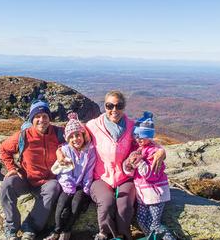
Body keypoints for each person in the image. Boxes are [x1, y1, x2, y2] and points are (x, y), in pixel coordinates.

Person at [57, 90, 166, 240]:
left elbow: (146, 140)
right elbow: (72, 137)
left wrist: (161, 150)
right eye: (109, 106)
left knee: (125, 206)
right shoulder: (93, 125)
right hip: (100, 177)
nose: (114, 110)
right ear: (105, 106)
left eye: (118, 106)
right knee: (106, 202)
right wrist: (59, 152)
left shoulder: (131, 126)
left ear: (123, 107)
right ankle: (105, 234)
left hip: (125, 176)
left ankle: (123, 235)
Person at [0, 96, 62, 240]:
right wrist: (11, 168)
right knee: (7, 185)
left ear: (49, 117)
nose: (41, 120)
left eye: (45, 116)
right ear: (31, 119)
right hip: (26, 179)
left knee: (54, 187)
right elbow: (3, 149)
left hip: (48, 181)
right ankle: (11, 228)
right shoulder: (23, 136)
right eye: (37, 116)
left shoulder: (58, 133)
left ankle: (30, 227)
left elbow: (79, 137)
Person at [123, 111, 175, 240]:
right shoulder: (138, 149)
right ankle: (152, 238)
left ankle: (169, 238)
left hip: (155, 195)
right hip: (143, 195)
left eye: (142, 136)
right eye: (136, 136)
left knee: (155, 224)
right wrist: (129, 164)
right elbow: (130, 172)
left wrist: (140, 161)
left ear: (149, 136)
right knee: (141, 221)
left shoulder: (154, 152)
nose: (139, 139)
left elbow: (151, 176)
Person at [45, 112, 96, 240]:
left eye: (78, 135)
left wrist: (85, 189)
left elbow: (89, 172)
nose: (75, 139)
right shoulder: (66, 150)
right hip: (67, 185)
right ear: (68, 139)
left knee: (76, 203)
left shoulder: (90, 151)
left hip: (81, 186)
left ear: (83, 135)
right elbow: (64, 173)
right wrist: (69, 189)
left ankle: (66, 231)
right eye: (71, 137)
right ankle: (56, 230)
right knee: (62, 205)